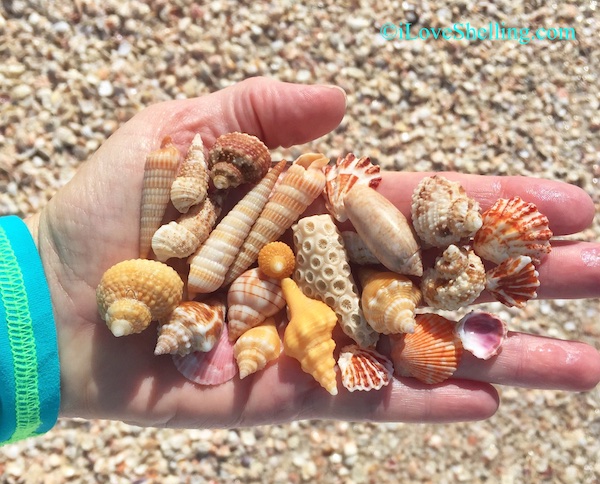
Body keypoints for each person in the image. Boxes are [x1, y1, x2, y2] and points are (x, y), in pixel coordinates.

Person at [1, 76, 600, 443]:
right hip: (257, 276)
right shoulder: (221, 254)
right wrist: (50, 284)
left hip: (290, 278)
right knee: (219, 258)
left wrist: (40, 294)